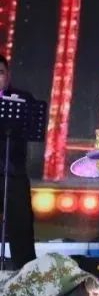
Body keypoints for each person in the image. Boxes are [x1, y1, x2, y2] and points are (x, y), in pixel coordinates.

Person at [0, 55, 38, 270]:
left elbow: (34, 125)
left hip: (14, 173)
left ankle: (26, 276)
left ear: (8, 76)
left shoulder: (22, 99)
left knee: (21, 228)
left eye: (0, 73)